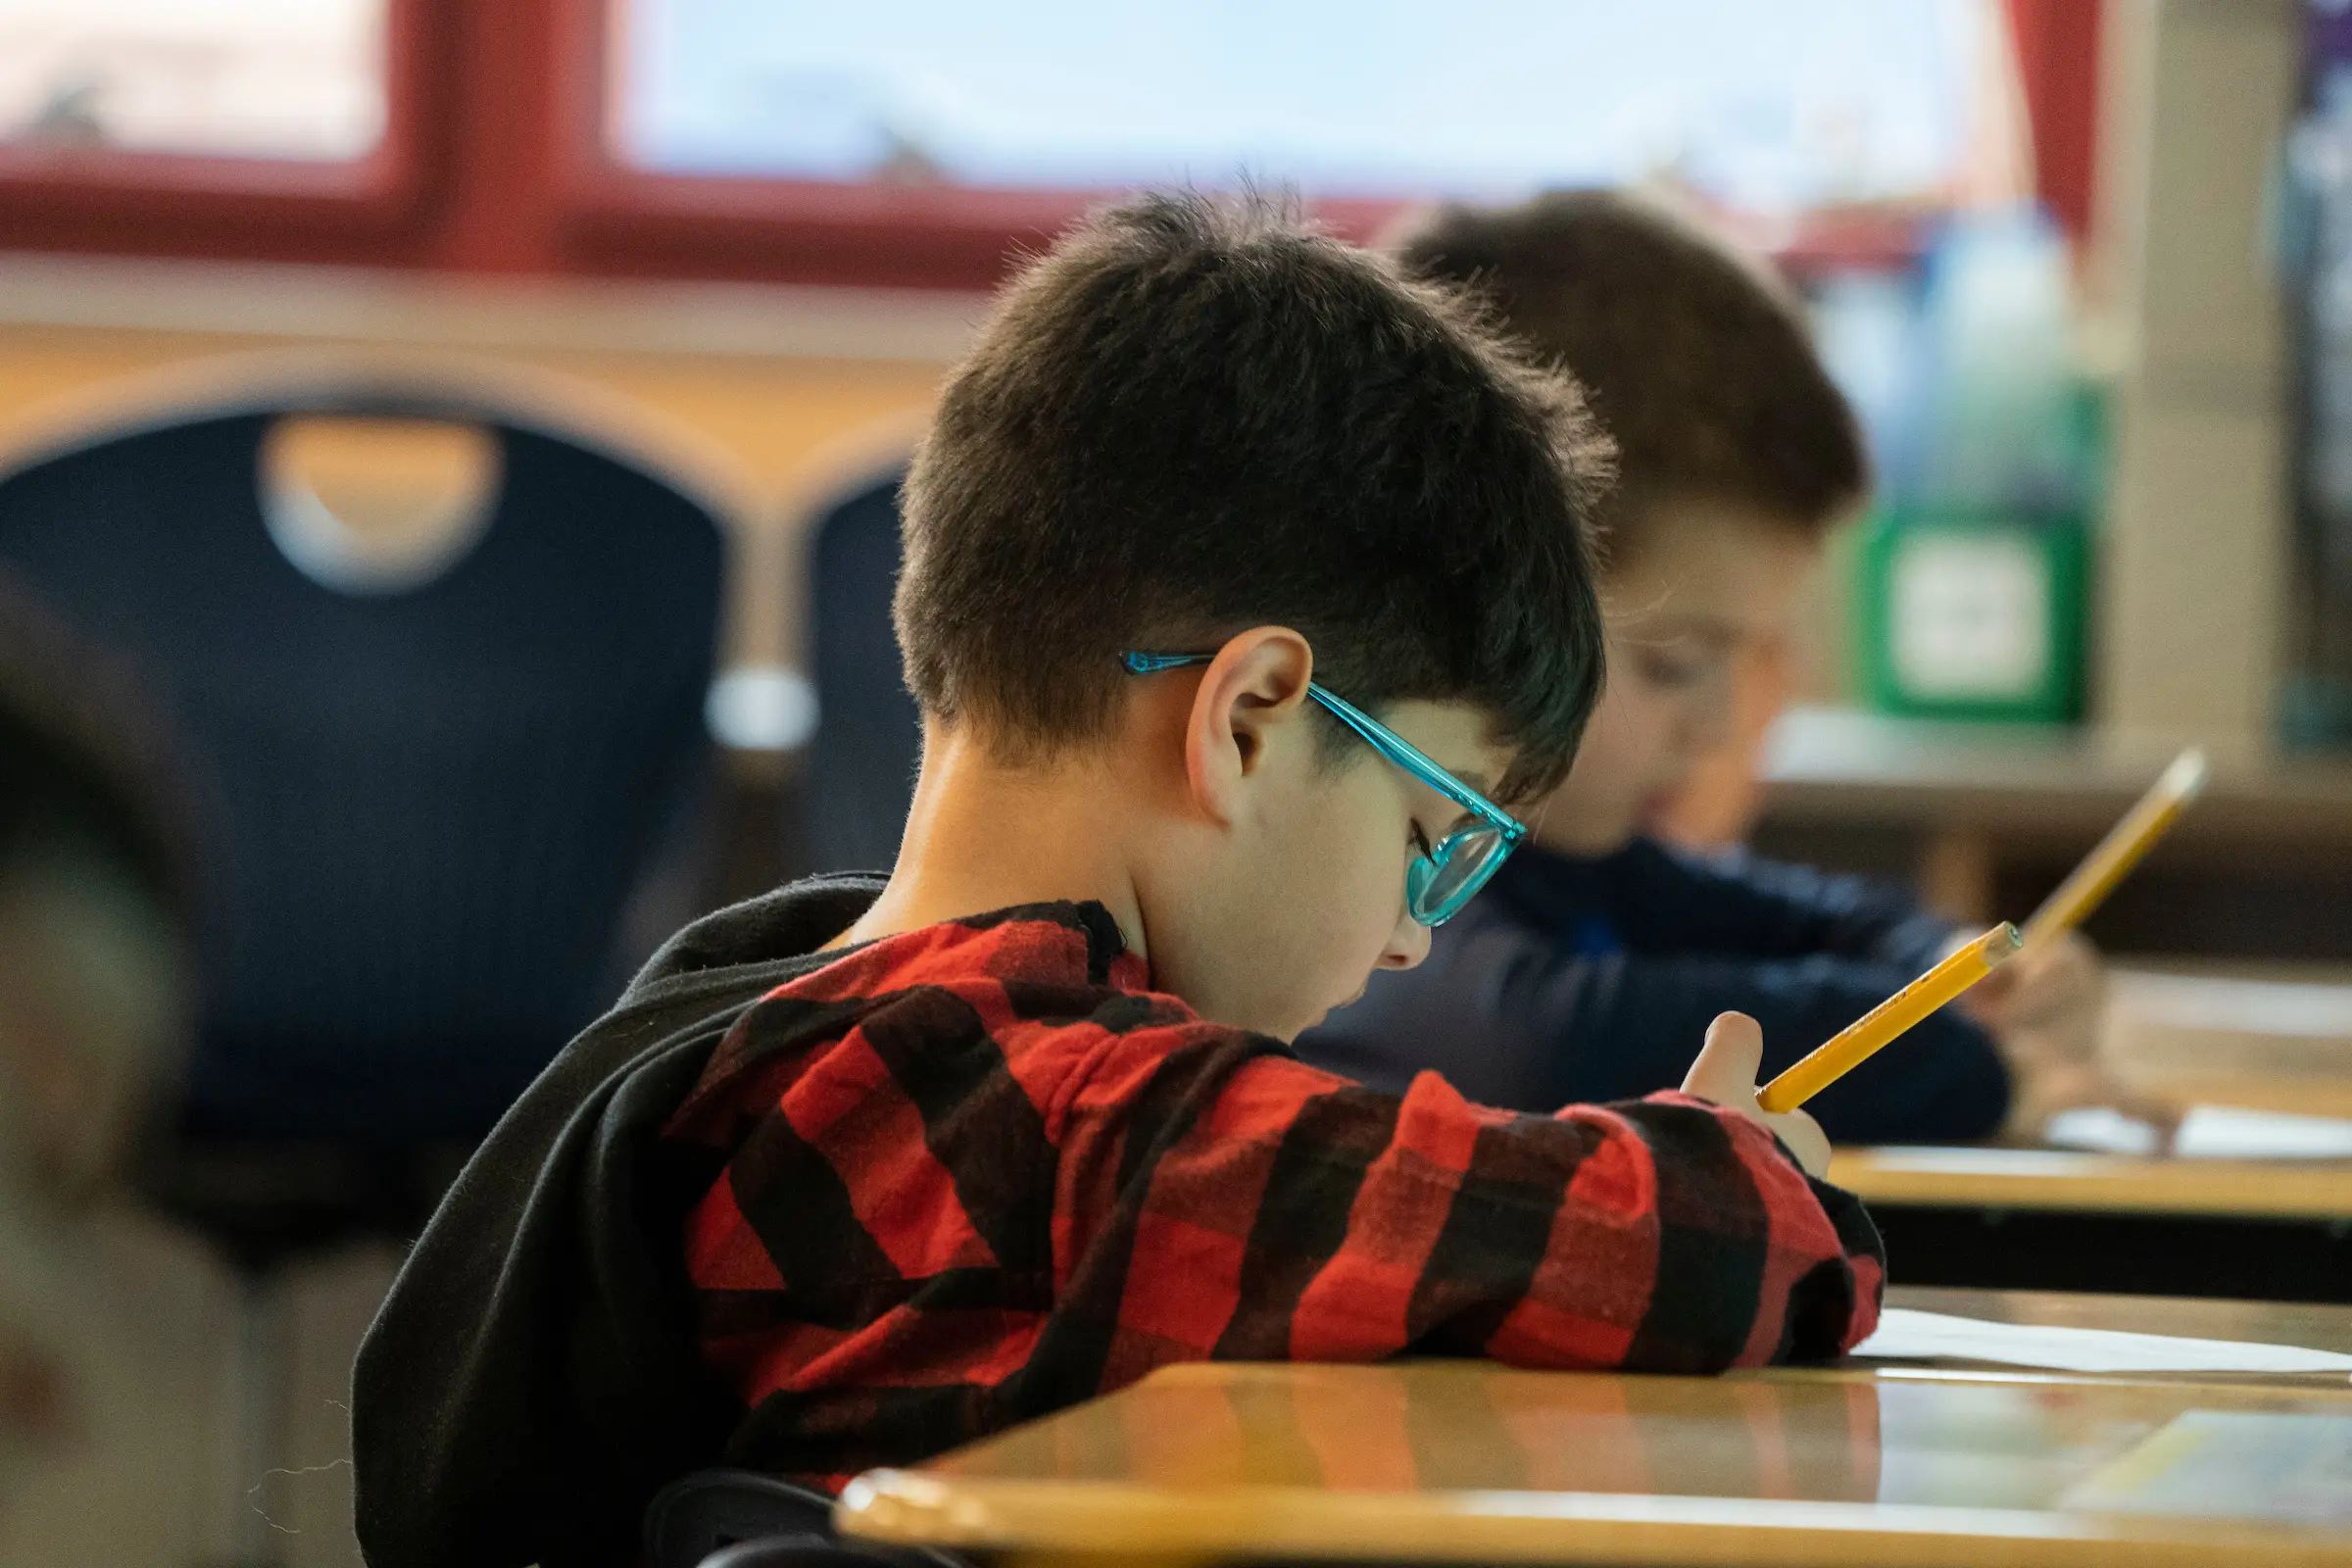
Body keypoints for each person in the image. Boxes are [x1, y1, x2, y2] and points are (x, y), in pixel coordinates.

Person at [351, 190, 1884, 1568]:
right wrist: (1738, 1184)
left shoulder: (787, 1001)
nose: (1417, 944)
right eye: (1437, 843)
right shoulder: (997, 1107)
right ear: (1248, 718)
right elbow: (1587, 1241)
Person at [1301, 190, 2130, 1146]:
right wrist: (1968, 1064)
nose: (1721, 723)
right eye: (1676, 663)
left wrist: (1963, 972)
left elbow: (1826, 923)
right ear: (1477, 602)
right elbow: (1536, 1039)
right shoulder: (1367, 874)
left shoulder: (1581, 865)